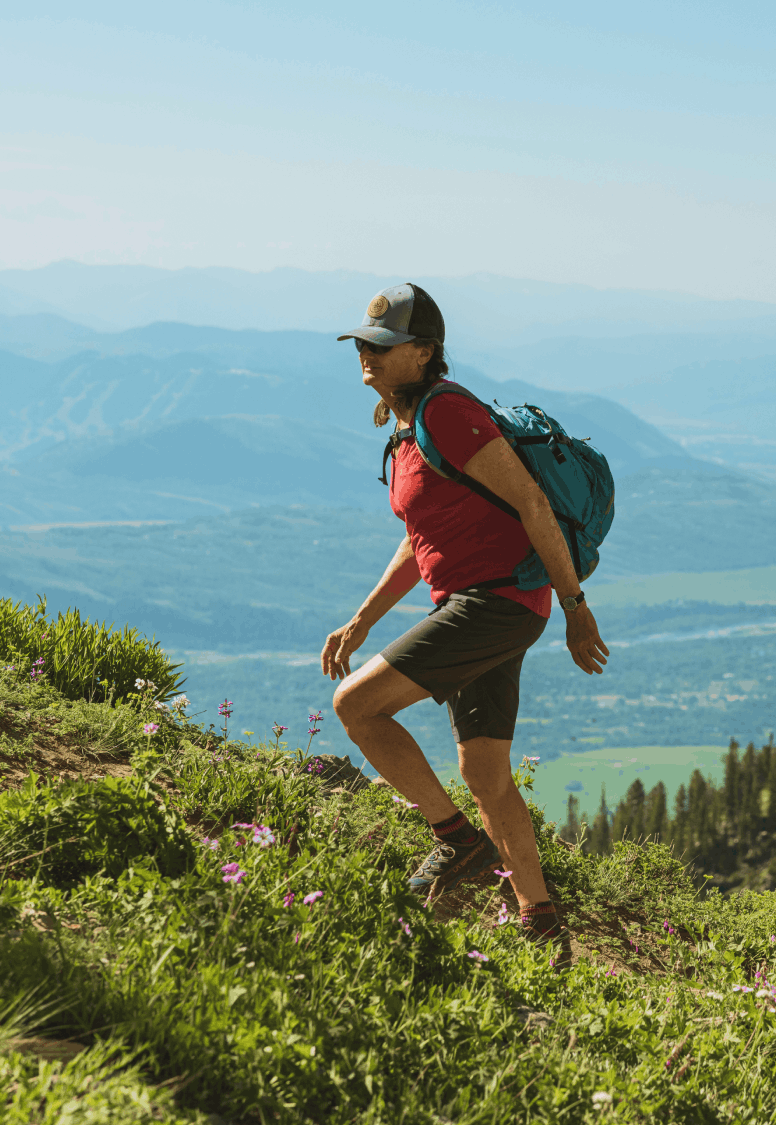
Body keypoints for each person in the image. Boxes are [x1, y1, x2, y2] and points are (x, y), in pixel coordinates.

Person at [323, 282, 609, 969]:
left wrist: (575, 606)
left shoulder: (449, 413)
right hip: (478, 603)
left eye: (384, 346)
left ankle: (456, 840)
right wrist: (362, 619)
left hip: (497, 603)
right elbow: (424, 538)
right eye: (363, 342)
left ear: (423, 353)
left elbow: (532, 503)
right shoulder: (408, 424)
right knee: (485, 772)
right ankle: (542, 926)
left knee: (356, 706)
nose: (368, 353)